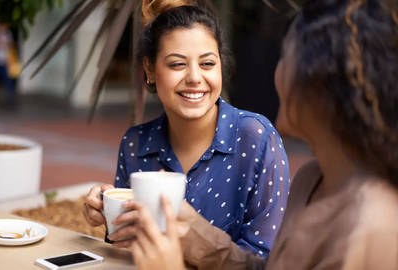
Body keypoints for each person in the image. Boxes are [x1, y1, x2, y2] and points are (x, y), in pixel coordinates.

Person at [125, 0, 398, 269]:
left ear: (324, 81)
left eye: (287, 58)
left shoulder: (373, 230)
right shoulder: (309, 180)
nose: (276, 72)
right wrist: (197, 234)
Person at [82, 0, 291, 257]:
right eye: (177, 64)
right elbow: (130, 248)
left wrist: (194, 242)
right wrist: (108, 213)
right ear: (149, 69)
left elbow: (268, 259)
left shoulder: (256, 138)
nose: (194, 77)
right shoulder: (135, 144)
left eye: (207, 64)